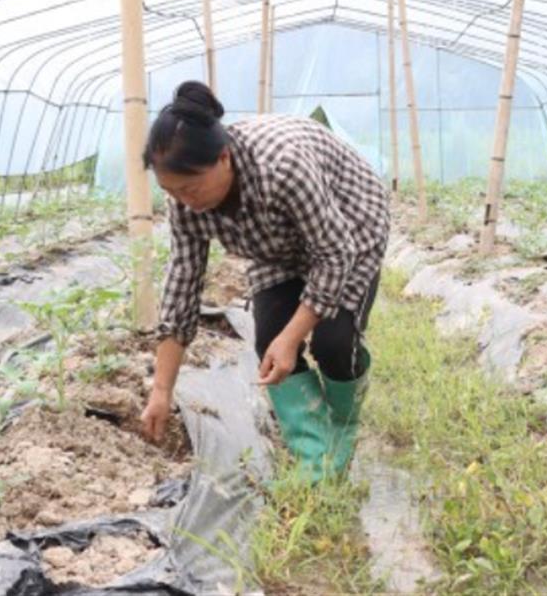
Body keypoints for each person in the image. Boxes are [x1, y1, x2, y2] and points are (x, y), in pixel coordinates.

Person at [138, 82, 390, 478]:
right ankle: (315, 459)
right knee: (267, 336)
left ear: (224, 158)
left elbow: (333, 252)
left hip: (349, 224)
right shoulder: (186, 206)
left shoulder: (282, 167)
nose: (184, 200)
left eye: (190, 187)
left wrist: (294, 339)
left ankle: (343, 427)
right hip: (274, 244)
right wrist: (161, 391)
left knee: (334, 340)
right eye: (171, 192)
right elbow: (182, 287)